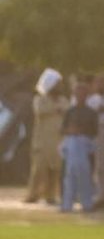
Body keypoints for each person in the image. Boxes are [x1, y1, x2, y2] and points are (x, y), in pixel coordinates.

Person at [24, 76, 68, 205]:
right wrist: (56, 109)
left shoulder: (64, 100)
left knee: (55, 170)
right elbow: (40, 110)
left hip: (58, 141)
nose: (59, 87)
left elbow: (67, 110)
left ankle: (51, 196)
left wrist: (58, 109)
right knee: (39, 169)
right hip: (42, 141)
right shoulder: (39, 99)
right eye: (57, 84)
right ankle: (33, 195)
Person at [59, 118, 96, 213]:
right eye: (71, 127)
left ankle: (87, 205)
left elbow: (92, 150)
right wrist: (66, 159)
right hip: (71, 165)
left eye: (76, 127)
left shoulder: (85, 139)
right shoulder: (67, 140)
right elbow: (62, 151)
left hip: (83, 164)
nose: (74, 129)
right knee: (69, 185)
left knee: (85, 185)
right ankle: (67, 206)